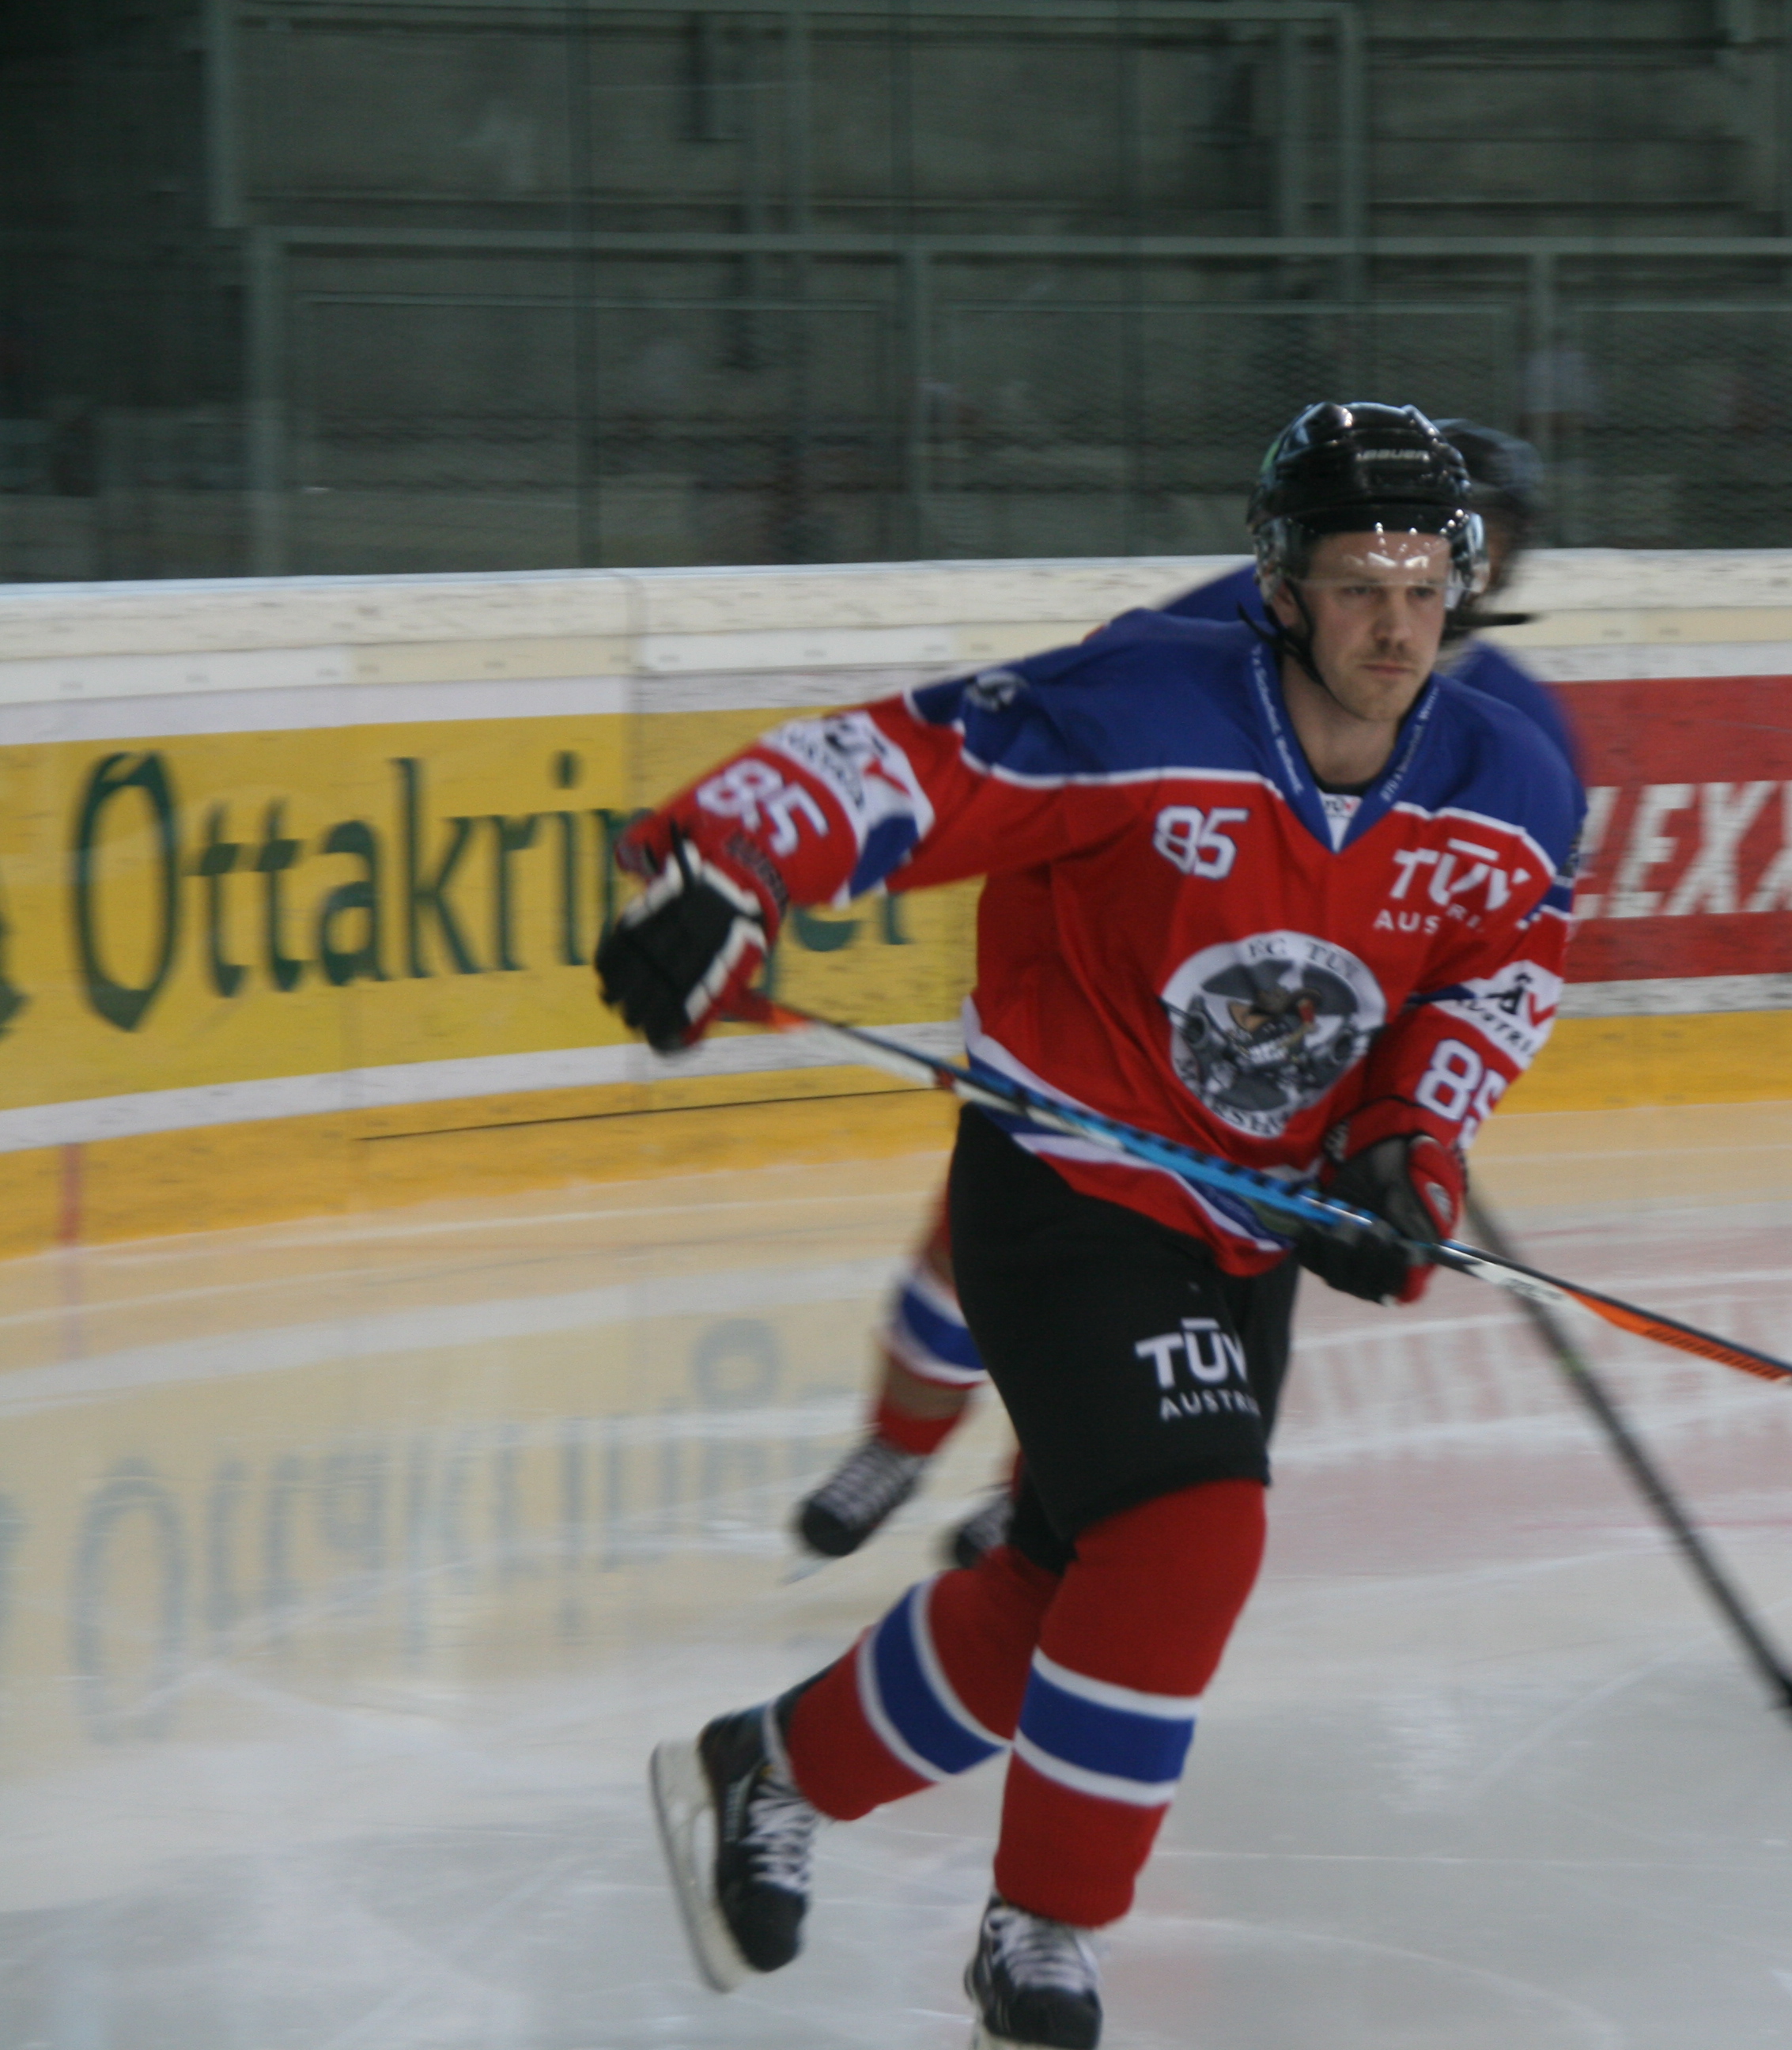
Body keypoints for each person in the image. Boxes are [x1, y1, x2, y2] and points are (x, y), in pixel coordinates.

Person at [599, 401, 1583, 2049]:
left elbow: (1497, 980)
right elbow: (901, 765)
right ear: (1283, 583)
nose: (1396, 624)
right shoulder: (1145, 704)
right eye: (1358, 584)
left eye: (1425, 585)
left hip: (1246, 1233)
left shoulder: (1511, 778)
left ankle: (770, 1768)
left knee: (1058, 1596)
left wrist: (1407, 1147)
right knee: (1193, 1537)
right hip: (1065, 1187)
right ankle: (1043, 1927)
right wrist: (719, 866)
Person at [789, 418, 1577, 1572]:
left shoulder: (1520, 734)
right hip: (1129, 1031)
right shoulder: (1242, 622)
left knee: (1172, 1353)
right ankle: (898, 1443)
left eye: (1481, 540)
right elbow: (1099, 736)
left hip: (1276, 1098)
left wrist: (1411, 1123)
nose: (1457, 564)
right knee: (987, 1247)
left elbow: (1493, 961)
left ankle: (1050, 1478)